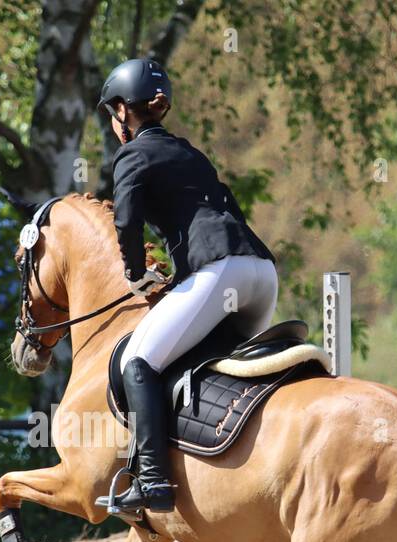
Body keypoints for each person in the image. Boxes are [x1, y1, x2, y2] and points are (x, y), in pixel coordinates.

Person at [97, 58, 277, 514]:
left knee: (138, 360)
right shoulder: (189, 151)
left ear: (122, 109)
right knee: (204, 361)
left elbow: (126, 219)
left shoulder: (132, 154)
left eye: (111, 113)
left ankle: (154, 481)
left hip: (221, 272)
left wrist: (135, 273)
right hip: (261, 273)